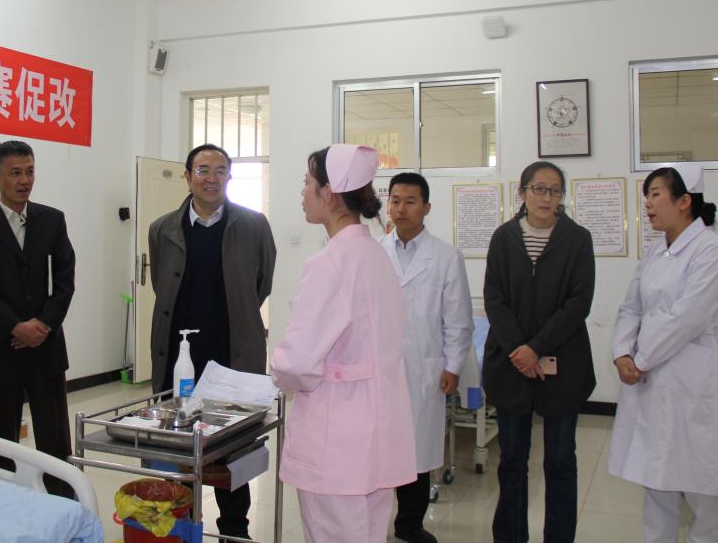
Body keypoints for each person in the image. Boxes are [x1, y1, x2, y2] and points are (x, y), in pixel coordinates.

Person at [272, 144, 416, 543]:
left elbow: (297, 362)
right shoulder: (376, 255)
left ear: (329, 193)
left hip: (336, 440)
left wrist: (277, 372)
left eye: (307, 182)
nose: (302, 191)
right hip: (377, 432)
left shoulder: (330, 262)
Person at [608, 164, 718, 543]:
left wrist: (639, 360)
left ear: (684, 201)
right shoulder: (656, 252)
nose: (648, 204)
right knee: (657, 480)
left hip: (695, 380)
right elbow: (631, 307)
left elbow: (686, 319)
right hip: (655, 382)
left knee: (705, 490)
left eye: (655, 194)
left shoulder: (711, 251)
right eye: (647, 196)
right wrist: (621, 352)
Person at [148, 143, 276, 540]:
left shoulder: (253, 225)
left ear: (229, 177)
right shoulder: (163, 228)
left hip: (231, 352)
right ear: (188, 176)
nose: (212, 178)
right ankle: (182, 525)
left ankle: (234, 529)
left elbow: (261, 284)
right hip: (180, 354)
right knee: (179, 443)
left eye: (220, 170)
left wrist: (235, 314)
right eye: (203, 170)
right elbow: (163, 287)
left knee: (234, 446)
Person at [483, 161, 595, 543]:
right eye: (539, 189)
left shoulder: (577, 239)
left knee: (560, 461)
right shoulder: (503, 238)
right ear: (522, 192)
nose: (547, 197)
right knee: (512, 461)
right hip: (511, 365)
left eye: (555, 190)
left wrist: (536, 348)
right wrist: (520, 349)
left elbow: (578, 303)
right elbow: (494, 299)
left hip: (563, 365)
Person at [0, 140, 76, 498]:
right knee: (2, 442)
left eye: (30, 171)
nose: (24, 180)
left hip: (46, 347)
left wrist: (43, 325)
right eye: (15, 173)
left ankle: (62, 505)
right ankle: (8, 504)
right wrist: (15, 327)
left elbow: (65, 280)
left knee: (55, 440)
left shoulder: (52, 220)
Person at [380, 172, 474, 543]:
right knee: (379, 448)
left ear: (426, 207)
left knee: (416, 452)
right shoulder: (374, 252)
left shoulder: (446, 257)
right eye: (395, 200)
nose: (401, 208)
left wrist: (453, 365)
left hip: (424, 369)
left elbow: (458, 317)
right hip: (380, 368)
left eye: (410, 201)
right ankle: (372, 523)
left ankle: (409, 525)